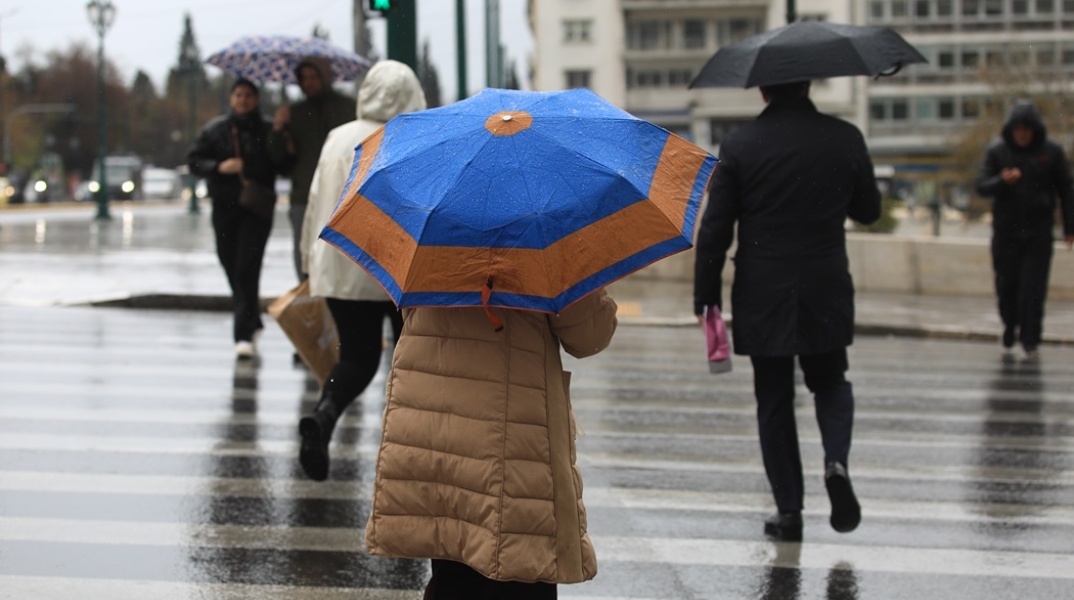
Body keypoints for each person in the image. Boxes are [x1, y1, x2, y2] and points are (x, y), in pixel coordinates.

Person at [693, 80, 881, 542]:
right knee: (831, 380)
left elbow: (717, 228)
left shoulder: (739, 145)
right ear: (808, 83)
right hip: (826, 283)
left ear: (763, 90)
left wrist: (706, 294)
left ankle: (789, 511)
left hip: (764, 289)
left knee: (774, 400)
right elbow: (870, 211)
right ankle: (836, 460)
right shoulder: (844, 136)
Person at [365, 293, 618, 598]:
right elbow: (589, 336)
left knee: (453, 567)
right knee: (520, 568)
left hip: (437, 420)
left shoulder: (434, 251)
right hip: (512, 434)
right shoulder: (538, 251)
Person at [297, 60, 427, 481]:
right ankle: (409, 449)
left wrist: (307, 262)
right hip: (394, 269)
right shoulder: (409, 137)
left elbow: (316, 202)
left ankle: (325, 414)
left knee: (357, 356)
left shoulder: (338, 138)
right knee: (411, 362)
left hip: (339, 263)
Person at [188, 79, 286, 359]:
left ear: (257, 99)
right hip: (225, 207)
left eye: (248, 96)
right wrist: (219, 167)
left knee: (246, 266)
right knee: (229, 261)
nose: (243, 100)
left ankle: (242, 333)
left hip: (256, 209)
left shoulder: (268, 130)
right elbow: (194, 160)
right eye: (238, 95)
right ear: (231, 98)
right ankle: (252, 317)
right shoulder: (216, 130)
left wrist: (280, 135)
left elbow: (283, 163)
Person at [975, 100, 1074, 360]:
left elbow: (1066, 190)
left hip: (1038, 232)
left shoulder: (1051, 153)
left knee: (1033, 288)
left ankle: (1031, 338)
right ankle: (1010, 324)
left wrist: (1069, 227)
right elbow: (982, 185)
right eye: (1018, 129)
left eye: (1027, 129)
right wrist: (1002, 181)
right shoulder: (998, 152)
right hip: (1006, 232)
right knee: (1006, 284)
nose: (1023, 134)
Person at [272, 57, 357, 283]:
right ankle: (309, 296)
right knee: (305, 250)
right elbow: (279, 160)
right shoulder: (294, 113)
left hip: (342, 191)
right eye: (304, 78)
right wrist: (279, 129)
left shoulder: (348, 107)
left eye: (313, 77)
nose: (309, 83)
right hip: (304, 192)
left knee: (341, 252)